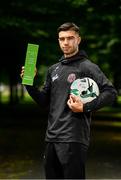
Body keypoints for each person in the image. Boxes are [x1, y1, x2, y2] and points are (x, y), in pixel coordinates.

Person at [21, 22, 117, 179]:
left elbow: (111, 92)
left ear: (78, 40)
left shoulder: (88, 67)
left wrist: (85, 107)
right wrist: (28, 82)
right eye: (62, 39)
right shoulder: (54, 69)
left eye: (70, 38)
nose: (65, 42)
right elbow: (44, 102)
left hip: (74, 137)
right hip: (52, 137)